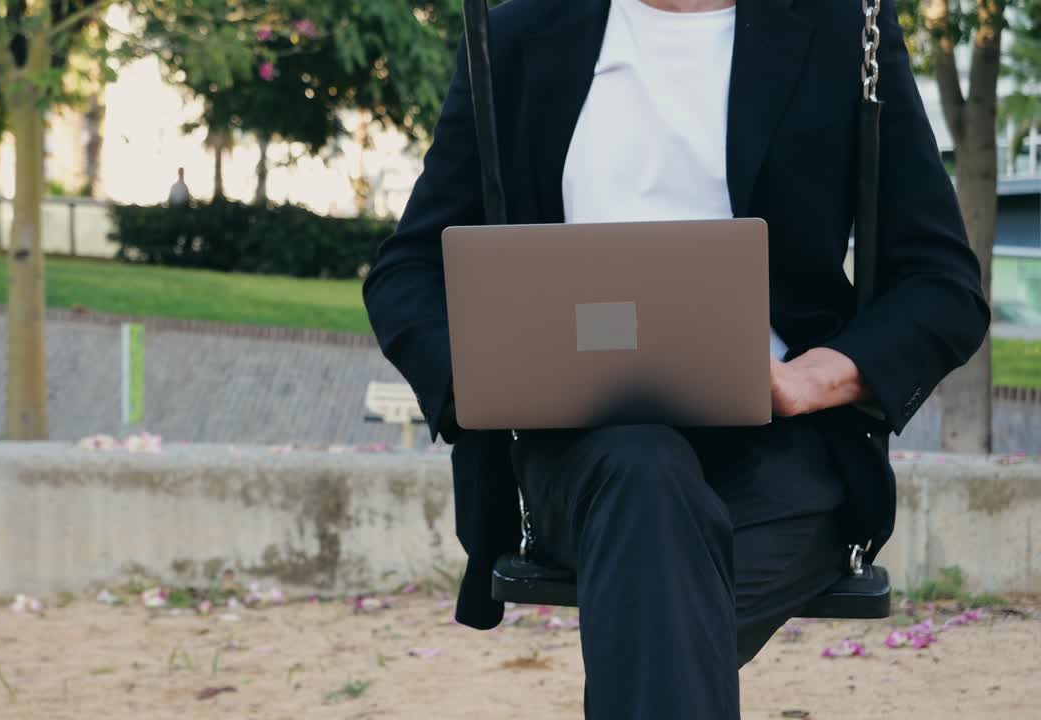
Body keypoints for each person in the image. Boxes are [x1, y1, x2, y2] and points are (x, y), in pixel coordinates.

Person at [362, 0, 989, 717]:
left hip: (783, 463)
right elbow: (406, 272)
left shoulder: (841, 28)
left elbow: (942, 285)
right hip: (587, 460)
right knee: (644, 474)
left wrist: (811, 378)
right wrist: (487, 382)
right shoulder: (521, 34)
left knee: (651, 598)